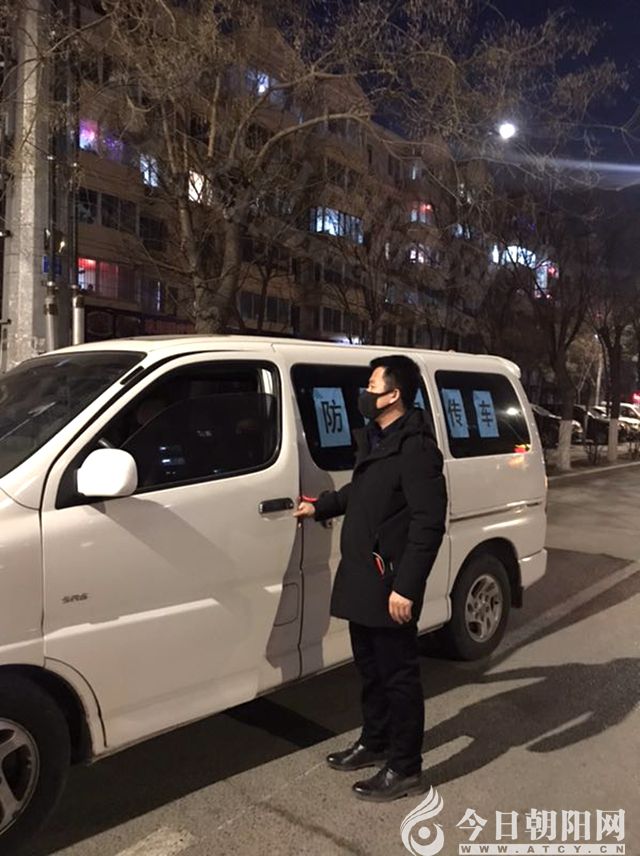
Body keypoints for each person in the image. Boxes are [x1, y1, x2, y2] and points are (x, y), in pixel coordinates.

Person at [294, 355, 447, 802]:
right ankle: (375, 741)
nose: (365, 393)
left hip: (390, 580)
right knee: (370, 669)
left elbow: (428, 523)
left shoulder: (416, 448)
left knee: (398, 676)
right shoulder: (380, 439)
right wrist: (320, 507)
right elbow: (360, 491)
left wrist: (407, 588)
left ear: (393, 395)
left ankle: (405, 767)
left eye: (372, 386)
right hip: (363, 573)